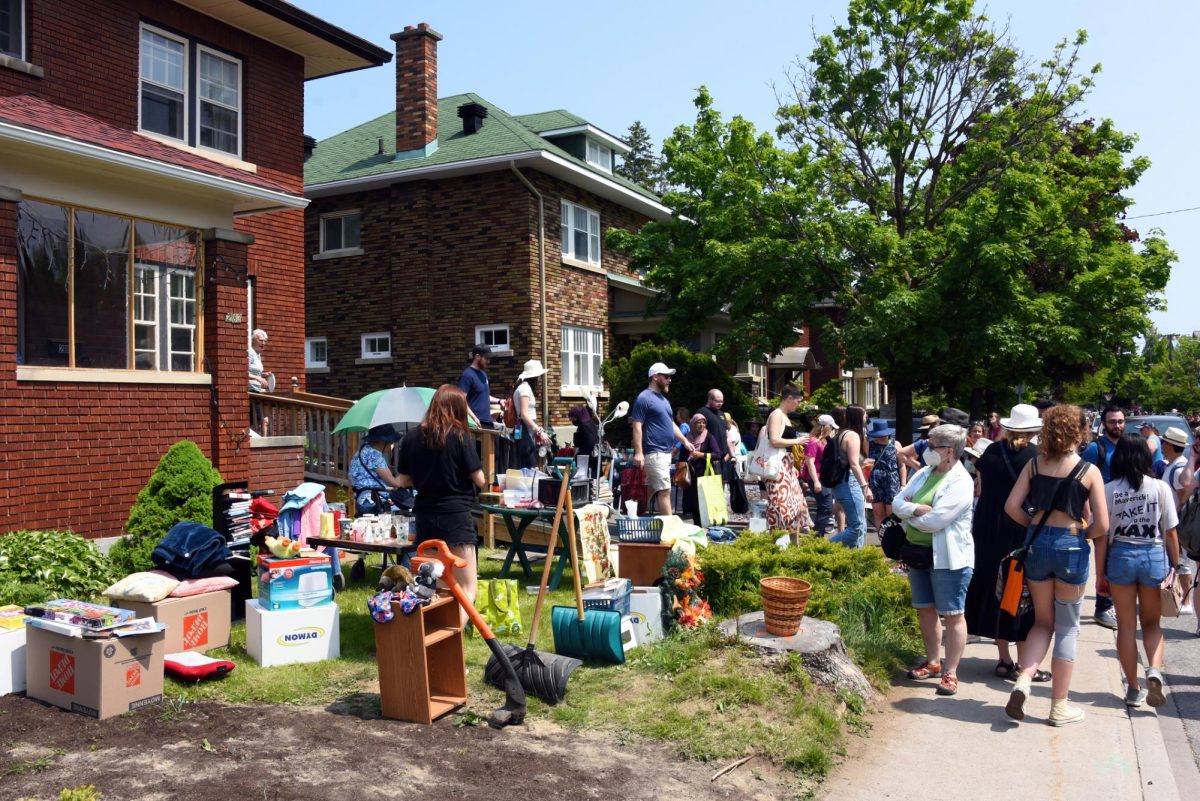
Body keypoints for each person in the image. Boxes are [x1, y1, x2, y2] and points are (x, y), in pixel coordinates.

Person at [1003, 404, 1108, 726]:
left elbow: (1011, 506)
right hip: (1071, 545)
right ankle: (1059, 707)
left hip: (1037, 544)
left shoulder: (1035, 465)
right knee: (1068, 627)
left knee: (1041, 623)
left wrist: (1034, 528)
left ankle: (1024, 678)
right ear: (1080, 432)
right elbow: (1102, 525)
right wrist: (1080, 535)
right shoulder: (1089, 471)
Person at [1097, 434, 1181, 708]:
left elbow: (1102, 534)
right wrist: (1176, 566)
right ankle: (1154, 670)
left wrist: (1100, 572)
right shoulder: (1160, 488)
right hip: (1153, 555)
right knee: (1152, 624)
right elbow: (1170, 532)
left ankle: (1133, 688)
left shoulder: (1110, 489)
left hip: (1121, 555)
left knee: (1125, 626)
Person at [963, 404, 1044, 681]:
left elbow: (981, 486)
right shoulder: (1036, 457)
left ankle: (1003, 660)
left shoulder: (991, 452)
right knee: (1021, 593)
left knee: (994, 589)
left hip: (987, 527)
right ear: (1033, 430)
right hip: (1019, 527)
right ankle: (1024, 663)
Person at [893, 424, 975, 696]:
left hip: (949, 559)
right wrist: (915, 508)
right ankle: (932, 662)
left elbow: (937, 521)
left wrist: (909, 514)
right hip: (917, 554)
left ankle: (951, 671)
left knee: (953, 615)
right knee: (925, 608)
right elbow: (897, 502)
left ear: (948, 451)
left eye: (931, 445)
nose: (925, 450)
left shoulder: (961, 481)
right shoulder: (925, 473)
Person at [396, 385, 485, 626]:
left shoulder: (410, 438)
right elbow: (480, 480)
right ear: (455, 409)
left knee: (440, 587)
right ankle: (448, 641)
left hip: (425, 518)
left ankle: (433, 636)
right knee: (467, 588)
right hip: (455, 518)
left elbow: (403, 481)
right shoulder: (458, 435)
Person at [631, 362, 695, 516]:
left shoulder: (664, 401)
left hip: (665, 453)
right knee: (665, 490)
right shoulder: (644, 398)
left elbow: (671, 424)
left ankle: (635, 516)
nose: (670, 380)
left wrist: (685, 441)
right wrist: (639, 452)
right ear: (655, 377)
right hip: (654, 452)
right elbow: (636, 426)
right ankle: (670, 529)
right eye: (666, 376)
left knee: (656, 490)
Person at [1082, 404, 1125, 629]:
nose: (1117, 425)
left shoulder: (1127, 446)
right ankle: (1102, 606)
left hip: (1125, 515)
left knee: (1116, 561)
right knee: (1104, 562)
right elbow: (1081, 480)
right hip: (1101, 514)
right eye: (1112, 422)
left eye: (1120, 421)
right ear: (1104, 424)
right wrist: (1087, 511)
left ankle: (1111, 605)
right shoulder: (1095, 448)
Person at [763, 384, 811, 536]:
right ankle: (777, 544)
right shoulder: (777, 415)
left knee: (794, 507)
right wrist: (797, 441)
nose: (799, 404)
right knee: (781, 507)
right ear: (790, 398)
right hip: (778, 467)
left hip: (785, 466)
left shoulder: (782, 416)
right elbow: (774, 440)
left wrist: (792, 465)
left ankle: (789, 543)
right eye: (798, 401)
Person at [1160, 426, 1195, 614]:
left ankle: (1186, 601)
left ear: (1168, 445)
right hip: (1173, 521)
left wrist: (1176, 518)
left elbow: (1183, 496)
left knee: (1180, 560)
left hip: (1177, 522)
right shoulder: (1173, 465)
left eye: (1163, 442)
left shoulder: (1178, 467)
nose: (1161, 445)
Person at [829, 405, 872, 548]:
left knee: (861, 526)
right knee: (857, 527)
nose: (866, 418)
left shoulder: (841, 433)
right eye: (865, 414)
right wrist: (865, 486)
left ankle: (856, 560)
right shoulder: (852, 435)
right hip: (849, 482)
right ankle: (824, 547)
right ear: (858, 417)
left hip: (842, 483)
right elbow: (854, 464)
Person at [681, 413, 723, 524]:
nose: (701, 425)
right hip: (691, 475)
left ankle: (709, 525)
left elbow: (718, 454)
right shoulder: (687, 438)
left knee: (706, 502)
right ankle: (698, 526)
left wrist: (701, 455)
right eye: (698, 422)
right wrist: (688, 458)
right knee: (694, 503)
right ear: (693, 424)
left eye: (703, 422)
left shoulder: (708, 436)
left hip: (705, 474)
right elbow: (681, 456)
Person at [512, 359, 551, 469]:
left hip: (525, 429)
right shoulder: (524, 388)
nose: (539, 379)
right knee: (528, 465)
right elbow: (524, 414)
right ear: (534, 377)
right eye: (539, 376)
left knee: (528, 464)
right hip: (524, 429)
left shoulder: (524, 387)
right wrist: (539, 431)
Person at [803, 414, 836, 537]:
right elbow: (809, 462)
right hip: (817, 477)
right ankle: (817, 537)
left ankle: (818, 535)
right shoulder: (813, 441)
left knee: (826, 507)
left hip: (822, 477)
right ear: (826, 428)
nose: (832, 430)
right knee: (826, 507)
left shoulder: (821, 441)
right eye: (831, 428)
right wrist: (816, 481)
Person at [866, 418, 903, 524]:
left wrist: (903, 484)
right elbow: (866, 466)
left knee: (892, 514)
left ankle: (892, 539)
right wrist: (866, 485)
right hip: (875, 481)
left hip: (892, 481)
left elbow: (901, 465)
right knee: (878, 513)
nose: (881, 436)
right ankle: (882, 539)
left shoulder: (895, 444)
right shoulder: (869, 445)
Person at [458, 344, 499, 429]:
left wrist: (499, 401)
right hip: (475, 424)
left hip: (487, 422)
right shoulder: (467, 375)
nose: (488, 361)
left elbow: (483, 395)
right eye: (486, 358)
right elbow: (461, 400)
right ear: (477, 357)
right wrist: (474, 418)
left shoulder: (483, 374)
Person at [698, 389, 730, 465]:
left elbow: (726, 434)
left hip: (723, 457)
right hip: (709, 457)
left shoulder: (721, 414)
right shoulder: (702, 412)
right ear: (710, 399)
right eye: (717, 401)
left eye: (722, 401)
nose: (720, 404)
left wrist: (729, 453)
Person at [248, 329, 273, 393]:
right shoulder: (250, 352)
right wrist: (258, 378)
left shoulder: (257, 354)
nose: (263, 343)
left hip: (256, 390)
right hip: (250, 391)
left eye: (265, 341)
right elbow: (243, 373)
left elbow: (252, 372)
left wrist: (263, 374)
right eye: (261, 340)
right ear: (253, 340)